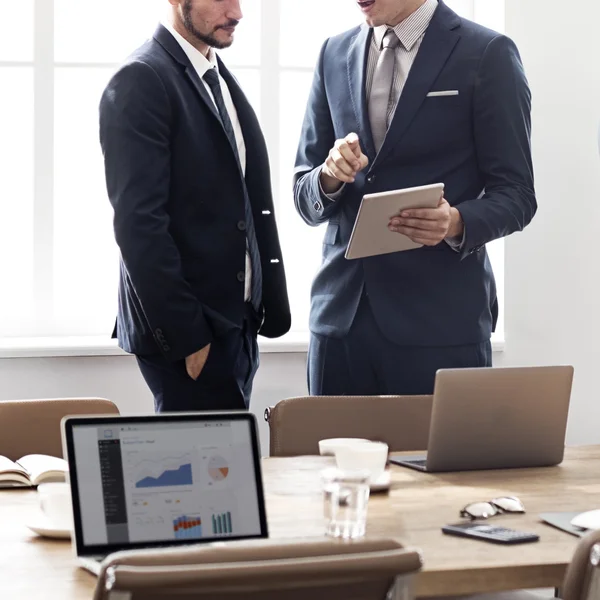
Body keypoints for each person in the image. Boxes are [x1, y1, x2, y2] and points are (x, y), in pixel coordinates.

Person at [294, 0, 536, 396]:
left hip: (440, 324)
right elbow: (303, 192)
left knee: (439, 459)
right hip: (340, 323)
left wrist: (456, 222)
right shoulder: (332, 52)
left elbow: (518, 193)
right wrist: (328, 177)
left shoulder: (488, 53)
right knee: (328, 460)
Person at [100, 0, 290, 413]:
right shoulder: (141, 78)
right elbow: (138, 225)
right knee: (197, 474)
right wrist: (188, 336)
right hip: (191, 331)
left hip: (236, 324)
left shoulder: (215, 76)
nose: (237, 13)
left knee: (230, 472)